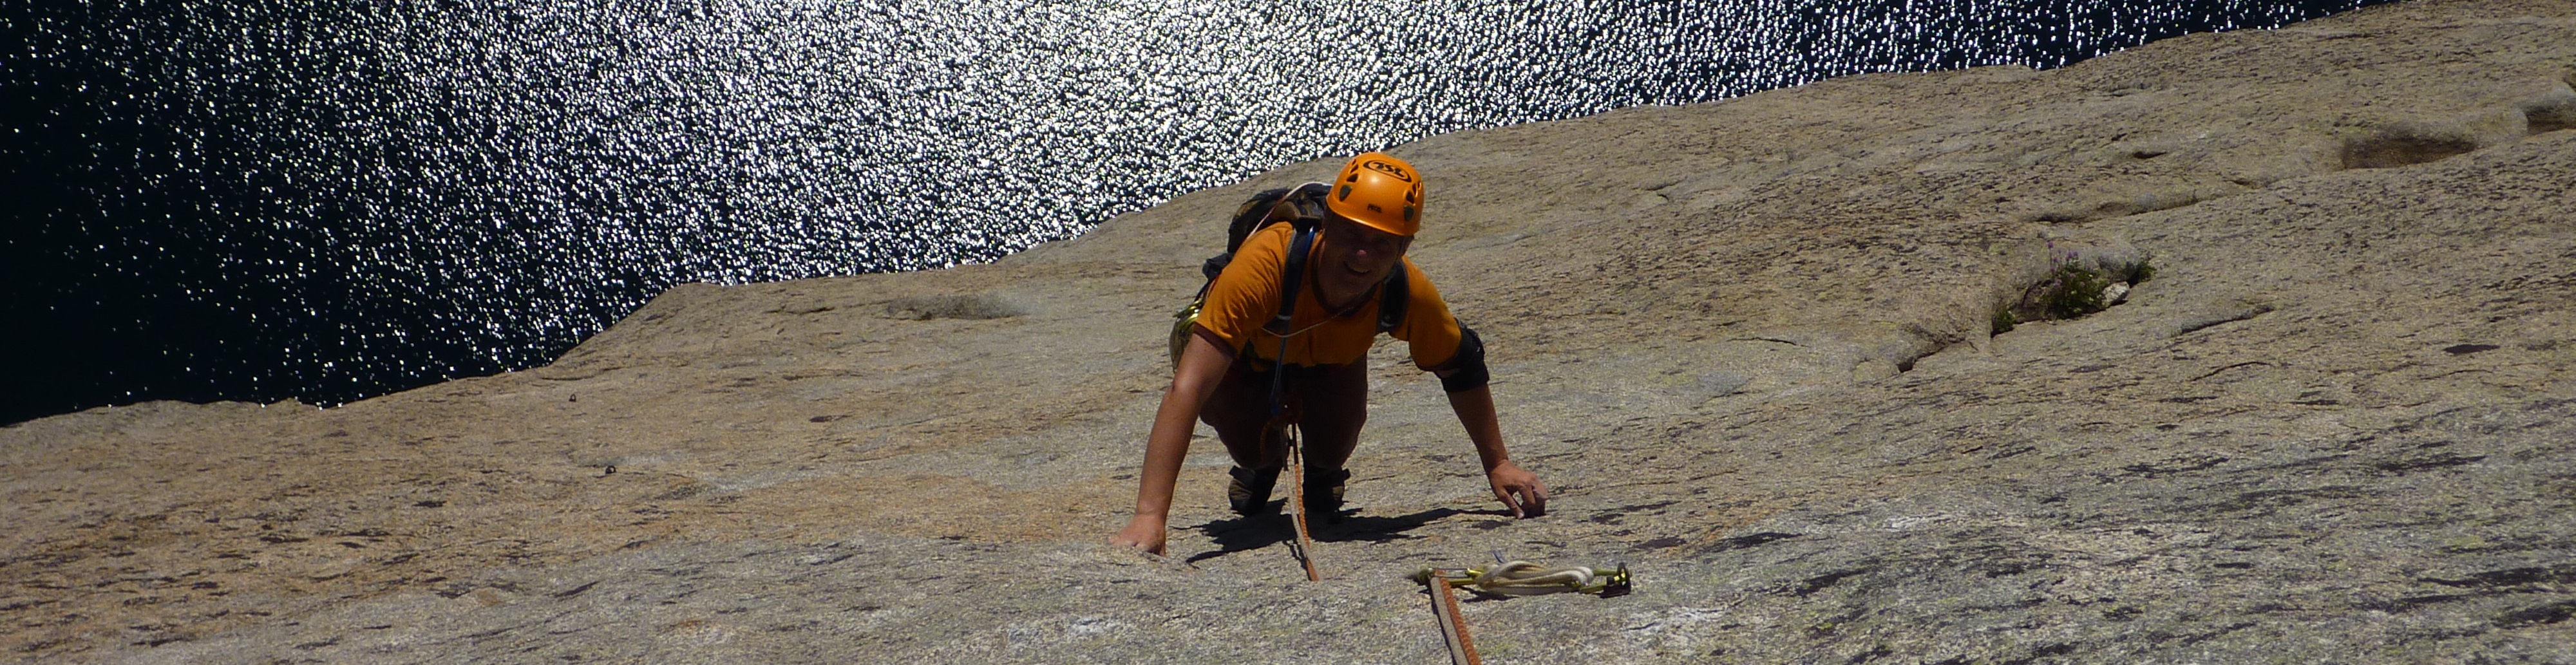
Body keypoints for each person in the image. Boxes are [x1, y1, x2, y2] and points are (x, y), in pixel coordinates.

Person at [1110, 152, 1549, 556]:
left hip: (1334, 364)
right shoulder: (1266, 266)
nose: (1362, 255)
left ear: (1403, 249)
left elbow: (1461, 362)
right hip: (1249, 362)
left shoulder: (1403, 289)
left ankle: (1321, 470)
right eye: (1352, 234)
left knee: (1335, 442)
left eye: (1382, 244)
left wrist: (1499, 463)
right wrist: (1150, 516)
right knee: (1250, 445)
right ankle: (1260, 466)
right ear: (1328, 223)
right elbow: (1188, 387)